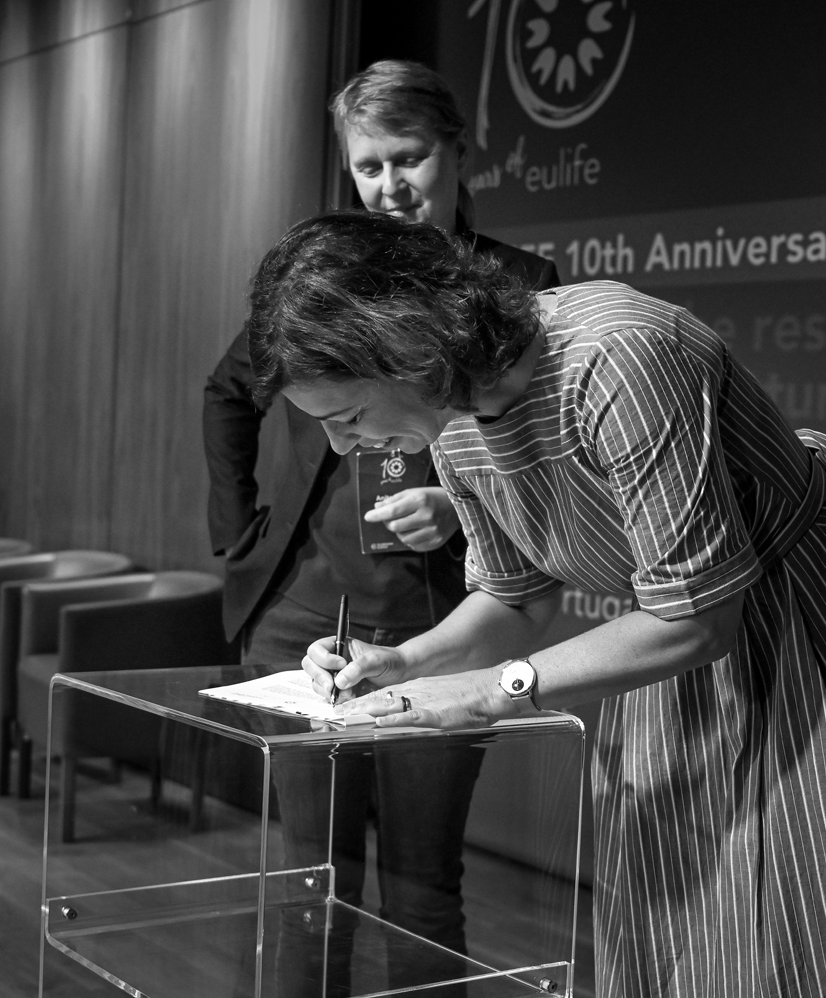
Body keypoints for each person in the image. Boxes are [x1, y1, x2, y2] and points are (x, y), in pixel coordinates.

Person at [244, 210, 826, 998]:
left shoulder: (616, 355)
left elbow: (699, 617)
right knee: (688, 935)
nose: (341, 446)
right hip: (666, 656)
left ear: (405, 344)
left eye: (349, 416)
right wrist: (404, 661)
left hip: (807, 629)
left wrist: (488, 692)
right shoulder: (452, 422)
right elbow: (514, 598)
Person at [202, 61, 558, 996]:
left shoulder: (518, 289)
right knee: (307, 876)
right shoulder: (326, 278)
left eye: (410, 159)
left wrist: (459, 501)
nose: (391, 187)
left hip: (441, 615)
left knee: (419, 883)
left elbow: (528, 467)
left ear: (457, 152)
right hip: (303, 608)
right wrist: (236, 531)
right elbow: (228, 391)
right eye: (369, 168)